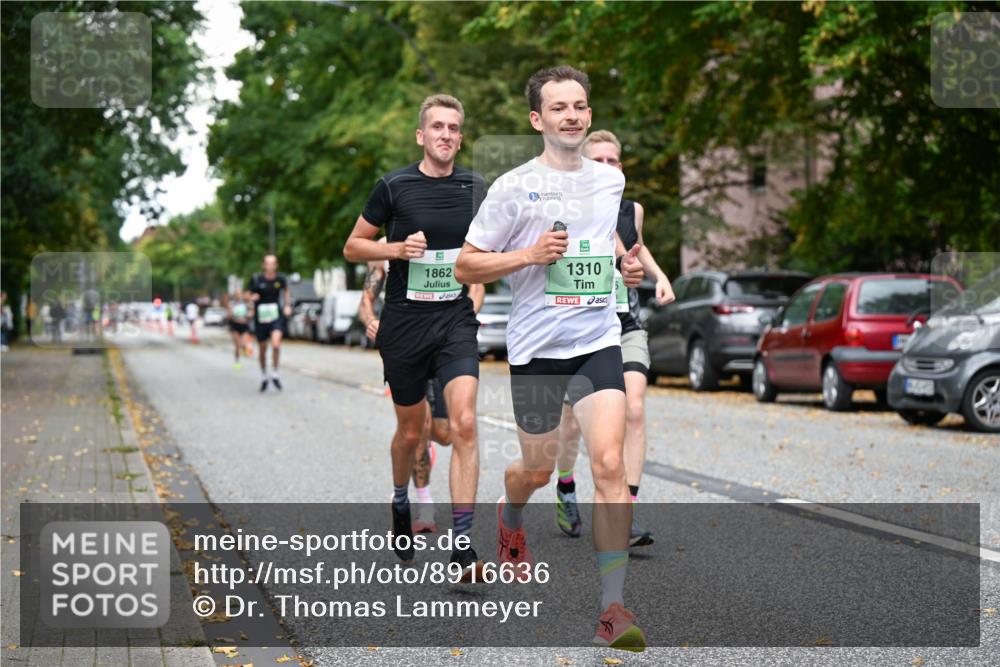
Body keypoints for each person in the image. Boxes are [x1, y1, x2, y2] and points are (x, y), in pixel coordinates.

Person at [455, 66, 647, 651]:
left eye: (580, 106)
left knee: (609, 465)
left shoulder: (609, 184)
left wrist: (626, 270)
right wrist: (529, 255)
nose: (572, 115)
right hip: (536, 350)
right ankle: (510, 519)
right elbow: (467, 264)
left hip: (596, 341)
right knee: (535, 471)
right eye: (559, 107)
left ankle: (612, 608)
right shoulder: (512, 187)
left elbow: (606, 250)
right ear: (537, 119)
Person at [343, 94, 486, 579]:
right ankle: (401, 498)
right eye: (437, 127)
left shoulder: (476, 188)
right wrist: (397, 248)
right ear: (421, 136)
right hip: (404, 325)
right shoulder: (394, 186)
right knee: (411, 432)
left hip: (455, 321)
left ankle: (463, 546)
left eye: (454, 128)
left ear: (460, 138)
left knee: (463, 424)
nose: (446, 134)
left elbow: (497, 245)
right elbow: (352, 246)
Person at [554, 130, 676, 547]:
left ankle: (626, 511)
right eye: (598, 161)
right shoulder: (566, 207)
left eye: (614, 161)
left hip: (625, 323)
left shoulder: (633, 209)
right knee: (571, 424)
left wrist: (661, 277)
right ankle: (566, 485)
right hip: (581, 330)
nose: (608, 168)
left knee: (635, 409)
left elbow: (636, 249)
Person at [359, 250, 457, 535]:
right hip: (404, 346)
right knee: (418, 428)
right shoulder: (387, 247)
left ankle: (426, 449)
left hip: (443, 344)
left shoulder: (451, 234)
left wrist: (464, 318)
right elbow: (366, 298)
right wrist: (370, 320)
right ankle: (425, 507)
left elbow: (475, 288)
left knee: (446, 433)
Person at [248, 254, 292, 391]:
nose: (270, 266)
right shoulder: (256, 279)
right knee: (262, 348)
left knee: (276, 344)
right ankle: (263, 375)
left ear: (276, 265)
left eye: (273, 263)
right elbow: (246, 295)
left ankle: (275, 373)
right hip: (261, 318)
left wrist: (287, 305)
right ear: (264, 265)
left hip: (275, 316)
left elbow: (286, 292)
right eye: (267, 263)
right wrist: (251, 297)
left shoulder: (280, 279)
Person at [226, 291, 253, 368]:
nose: (238, 296)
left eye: (240, 294)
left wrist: (249, 315)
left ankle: (245, 348)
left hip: (244, 326)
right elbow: (228, 316)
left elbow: (251, 312)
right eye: (237, 295)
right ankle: (237, 362)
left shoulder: (245, 303)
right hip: (234, 326)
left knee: (243, 343)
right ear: (235, 296)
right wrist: (230, 315)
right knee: (237, 345)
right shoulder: (231, 304)